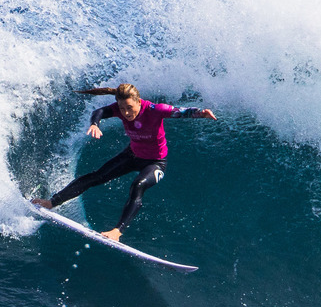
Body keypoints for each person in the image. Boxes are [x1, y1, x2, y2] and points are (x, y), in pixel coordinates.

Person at [31, 83, 216, 241]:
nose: (126, 113)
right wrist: (94, 124)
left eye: (129, 107)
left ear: (138, 101)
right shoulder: (120, 110)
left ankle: (117, 232)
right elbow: (100, 111)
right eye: (122, 108)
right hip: (132, 155)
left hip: (156, 162)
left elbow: (180, 112)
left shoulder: (155, 110)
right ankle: (51, 202)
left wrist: (200, 113)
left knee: (138, 185)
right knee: (96, 177)